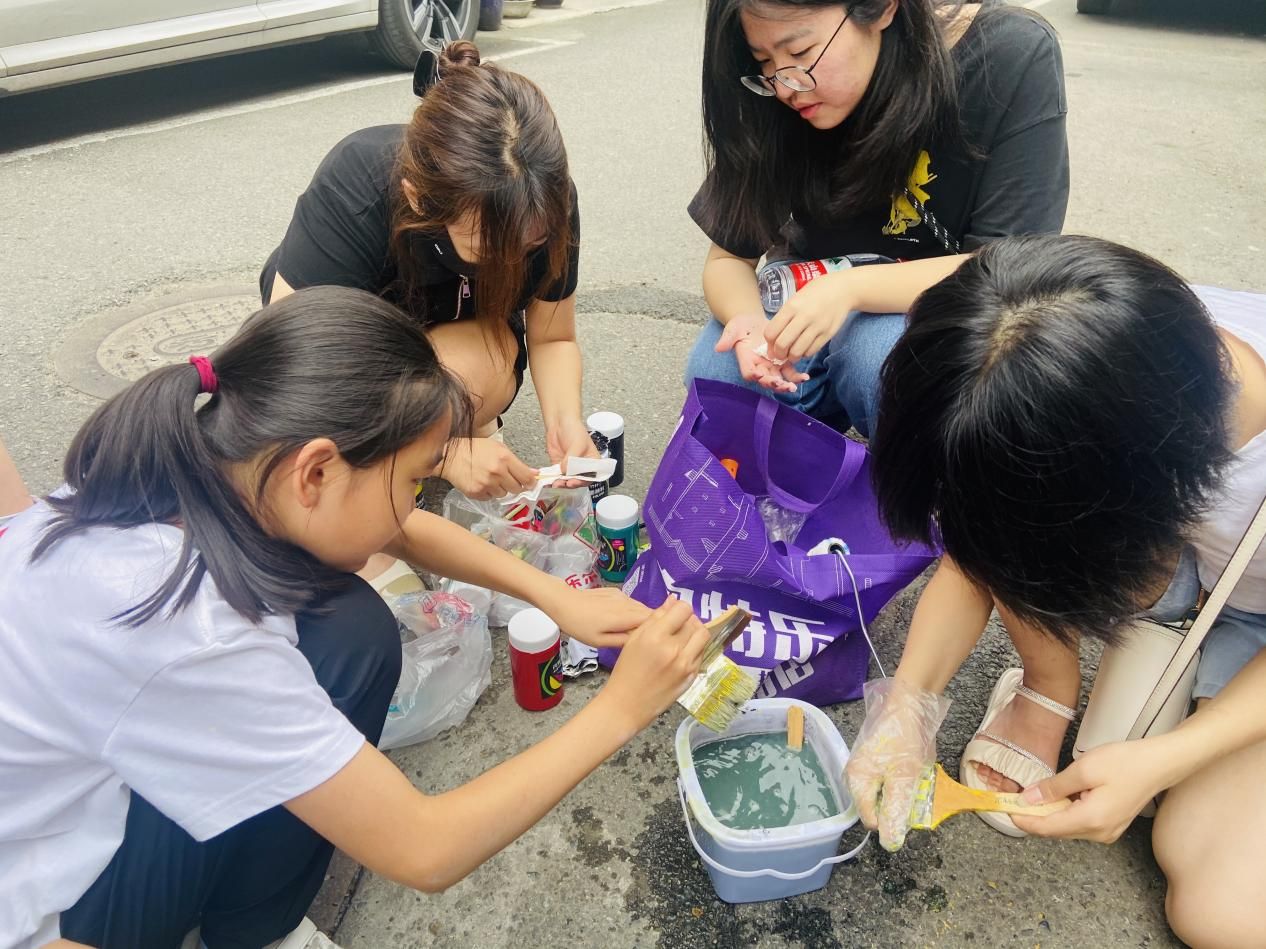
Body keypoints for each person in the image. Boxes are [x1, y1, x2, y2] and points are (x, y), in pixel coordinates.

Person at [0, 287, 710, 949]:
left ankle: (255, 926)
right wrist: (622, 708)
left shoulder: (191, 461)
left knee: (351, 630)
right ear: (315, 472)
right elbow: (425, 847)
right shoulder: (192, 634)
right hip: (48, 909)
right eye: (415, 479)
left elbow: (398, 530)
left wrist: (556, 596)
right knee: (345, 635)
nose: (413, 502)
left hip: (80, 798)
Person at [840, 236, 1266, 948]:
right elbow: (981, 547)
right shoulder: (1081, 325)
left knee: (1219, 909)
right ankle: (1052, 685)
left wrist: (1167, 759)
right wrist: (907, 704)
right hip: (1184, 551)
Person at [684, 0, 1068, 437]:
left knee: (882, 363)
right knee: (719, 375)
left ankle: (912, 464)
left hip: (935, 299)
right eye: (763, 62)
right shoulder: (774, 90)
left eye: (801, 52)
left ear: (882, 9)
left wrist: (850, 289)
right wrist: (747, 322)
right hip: (812, 283)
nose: (786, 87)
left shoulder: (1008, 54)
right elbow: (727, 259)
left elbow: (1012, 267)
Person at [261, 40, 593, 503]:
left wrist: (565, 421)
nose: (512, 263)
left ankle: (430, 433)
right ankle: (402, 451)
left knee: (490, 365)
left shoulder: (545, 201)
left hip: (454, 331)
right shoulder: (358, 185)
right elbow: (300, 374)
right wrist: (443, 455)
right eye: (487, 246)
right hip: (343, 350)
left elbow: (552, 337)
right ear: (420, 200)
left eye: (530, 244)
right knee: (320, 460)